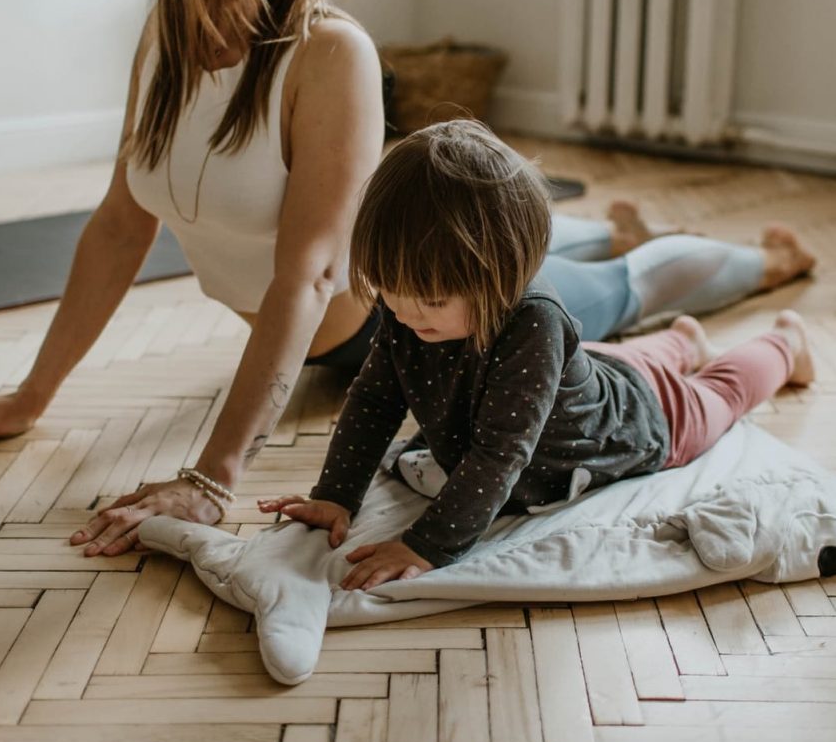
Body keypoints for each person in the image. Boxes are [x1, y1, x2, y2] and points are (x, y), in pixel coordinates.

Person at [0, 0, 814, 558]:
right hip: (372, 326)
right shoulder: (163, 40)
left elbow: (310, 272)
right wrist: (31, 395)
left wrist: (212, 474)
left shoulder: (327, 52)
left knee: (620, 287)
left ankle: (764, 268)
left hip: (424, 314)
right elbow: (122, 224)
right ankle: (616, 257)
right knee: (584, 263)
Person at [258, 121, 814, 589]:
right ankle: (684, 340)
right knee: (618, 362)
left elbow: (500, 454)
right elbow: (376, 398)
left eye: (428, 300)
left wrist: (425, 545)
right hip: (590, 372)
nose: (404, 314)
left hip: (640, 418)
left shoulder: (535, 323)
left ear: (501, 276)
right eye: (390, 294)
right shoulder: (410, 309)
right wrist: (335, 494)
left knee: (719, 393)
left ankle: (785, 344)